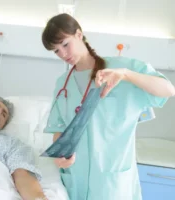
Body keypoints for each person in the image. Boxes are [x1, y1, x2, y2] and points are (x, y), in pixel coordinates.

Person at [41, 13, 175, 200]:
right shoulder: (62, 84)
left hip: (112, 180)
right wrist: (60, 157)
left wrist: (127, 75)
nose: (63, 54)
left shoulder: (121, 68)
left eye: (65, 44)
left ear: (79, 34)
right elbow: (59, 128)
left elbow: (168, 89)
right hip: (75, 179)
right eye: (56, 51)